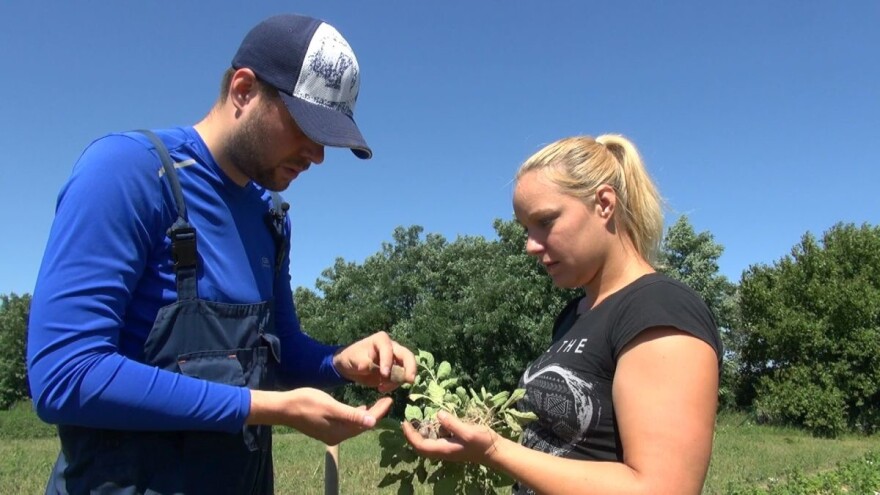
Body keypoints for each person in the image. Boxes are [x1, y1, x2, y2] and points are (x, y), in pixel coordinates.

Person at [27, 13, 417, 495]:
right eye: (306, 127)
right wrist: (267, 408)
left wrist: (338, 362)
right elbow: (65, 375)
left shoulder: (270, 216)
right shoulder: (128, 173)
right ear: (243, 90)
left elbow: (281, 353)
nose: (317, 155)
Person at [403, 134, 722, 494]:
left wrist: (493, 450)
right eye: (526, 229)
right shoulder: (575, 315)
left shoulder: (659, 309)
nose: (530, 245)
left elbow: (663, 489)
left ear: (604, 204)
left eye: (545, 222)